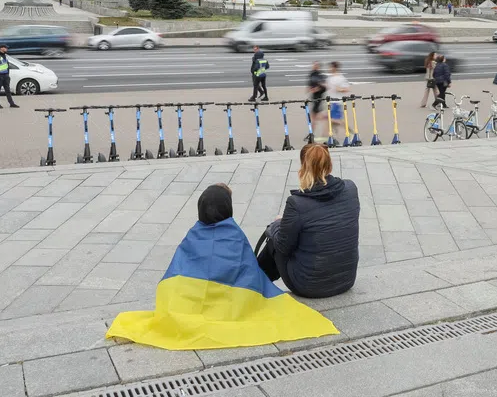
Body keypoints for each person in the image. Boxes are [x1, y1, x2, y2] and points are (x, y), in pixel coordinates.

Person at [107, 182, 336, 349]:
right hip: (234, 305)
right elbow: (249, 273)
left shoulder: (192, 236)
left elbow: (178, 271)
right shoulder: (235, 235)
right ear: (228, 209)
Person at [258, 144, 361, 299]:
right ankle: (257, 281)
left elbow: (282, 248)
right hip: (346, 279)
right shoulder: (351, 188)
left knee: (274, 240)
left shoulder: (296, 203)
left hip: (309, 286)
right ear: (329, 165)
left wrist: (277, 224)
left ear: (303, 167)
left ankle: (255, 283)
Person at [325, 61, 350, 144]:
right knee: (332, 122)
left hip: (336, 102)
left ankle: (349, 131)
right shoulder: (329, 77)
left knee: (333, 120)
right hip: (330, 102)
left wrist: (340, 89)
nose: (329, 69)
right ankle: (334, 138)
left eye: (330, 67)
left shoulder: (340, 78)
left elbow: (347, 89)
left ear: (334, 68)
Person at [307, 62, 328, 143]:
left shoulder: (321, 76)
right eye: (313, 65)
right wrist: (310, 89)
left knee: (317, 118)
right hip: (314, 98)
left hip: (319, 98)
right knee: (313, 118)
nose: (314, 66)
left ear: (318, 67)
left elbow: (324, 87)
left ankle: (323, 134)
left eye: (315, 65)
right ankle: (311, 134)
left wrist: (316, 89)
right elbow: (309, 84)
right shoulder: (312, 74)